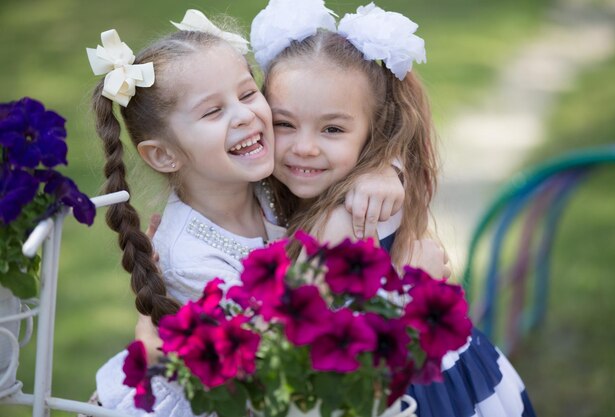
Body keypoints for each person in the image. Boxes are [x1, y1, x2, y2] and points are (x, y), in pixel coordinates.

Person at [86, 9, 407, 417]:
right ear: (163, 155)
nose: (244, 115)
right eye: (212, 111)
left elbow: (349, 137)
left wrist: (383, 169)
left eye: (247, 93)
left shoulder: (269, 179)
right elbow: (274, 367)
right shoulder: (191, 261)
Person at [250, 1, 537, 416]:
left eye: (332, 129)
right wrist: (390, 165)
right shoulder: (361, 184)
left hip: (402, 395)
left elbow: (286, 334)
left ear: (373, 133)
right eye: (284, 123)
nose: (304, 146)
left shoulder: (344, 218)